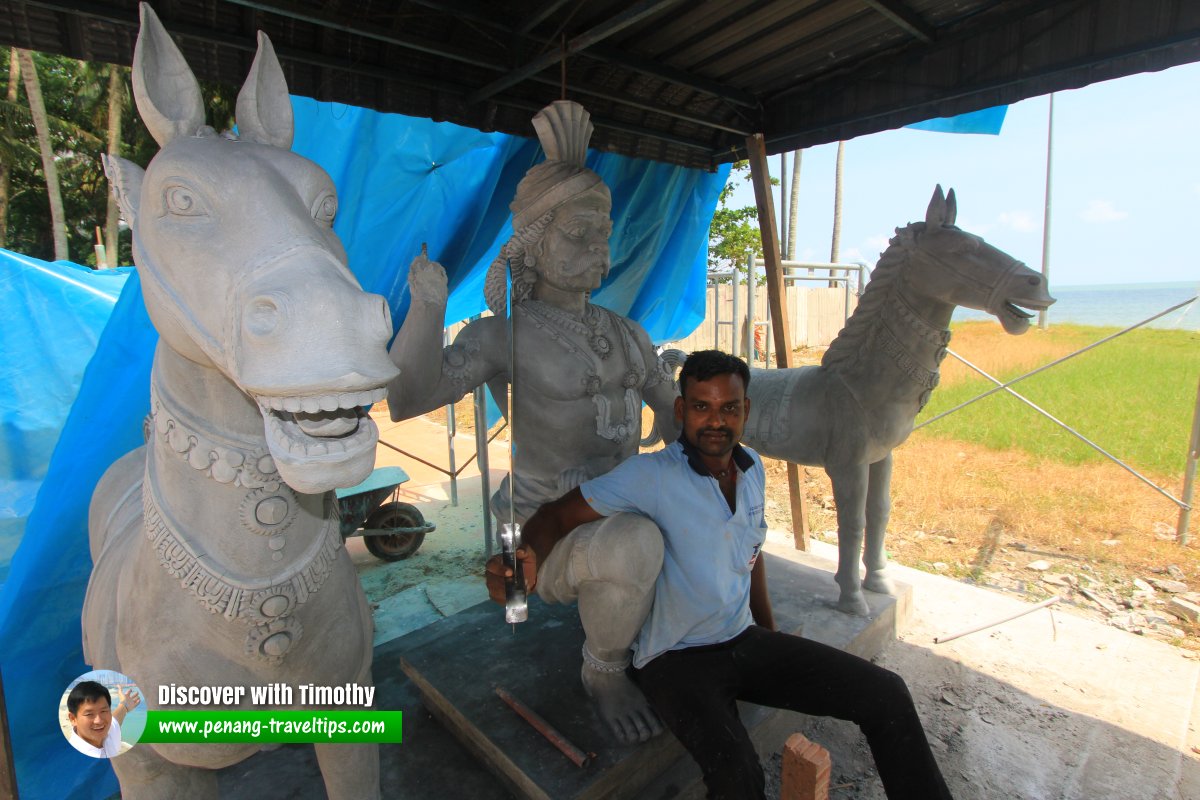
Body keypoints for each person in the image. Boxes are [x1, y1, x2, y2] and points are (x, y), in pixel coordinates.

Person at [487, 350, 953, 800]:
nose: (716, 421)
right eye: (702, 407)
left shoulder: (752, 471)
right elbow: (557, 515)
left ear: (745, 410)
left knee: (886, 693)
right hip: (675, 661)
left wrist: (770, 636)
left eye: (729, 408)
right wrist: (524, 554)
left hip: (742, 641)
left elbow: (750, 554)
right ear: (681, 410)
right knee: (738, 776)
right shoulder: (651, 475)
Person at [388, 100, 678, 744]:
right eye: (579, 232)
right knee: (636, 545)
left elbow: (677, 419)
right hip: (542, 529)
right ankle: (603, 671)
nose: (597, 246)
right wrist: (428, 308)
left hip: (628, 509)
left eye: (602, 231)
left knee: (684, 530)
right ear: (534, 241)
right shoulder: (504, 337)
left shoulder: (628, 333)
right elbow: (408, 399)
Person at [66, 680, 141, 758]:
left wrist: (124, 704)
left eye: (103, 711)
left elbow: (115, 719)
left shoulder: (109, 732)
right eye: (89, 714)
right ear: (73, 719)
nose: (99, 721)